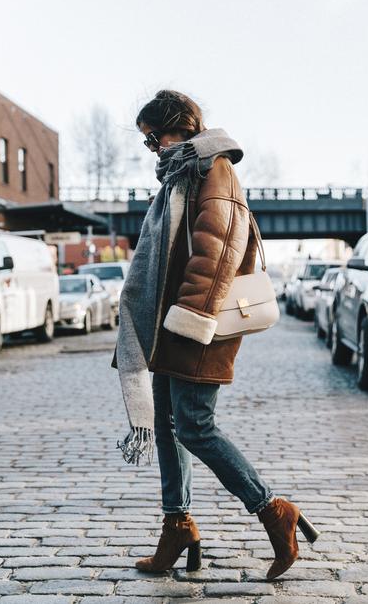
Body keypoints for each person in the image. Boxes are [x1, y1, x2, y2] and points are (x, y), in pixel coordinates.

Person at [111, 90, 320, 581]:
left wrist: (191, 318)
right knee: (167, 425)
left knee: (194, 426)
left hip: (199, 322)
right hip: (171, 324)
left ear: (180, 126)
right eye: (147, 142)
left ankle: (272, 510)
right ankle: (178, 523)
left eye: (153, 137)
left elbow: (219, 247)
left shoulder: (214, 169)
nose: (153, 149)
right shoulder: (181, 175)